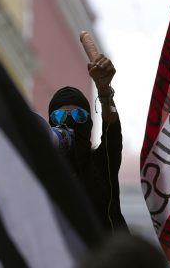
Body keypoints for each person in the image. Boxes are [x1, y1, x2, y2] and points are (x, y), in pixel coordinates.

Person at [48, 54, 128, 232]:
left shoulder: (102, 162)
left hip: (108, 256)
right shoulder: (45, 171)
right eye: (59, 116)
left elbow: (112, 131)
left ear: (89, 122)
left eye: (79, 116)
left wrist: (105, 93)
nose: (69, 121)